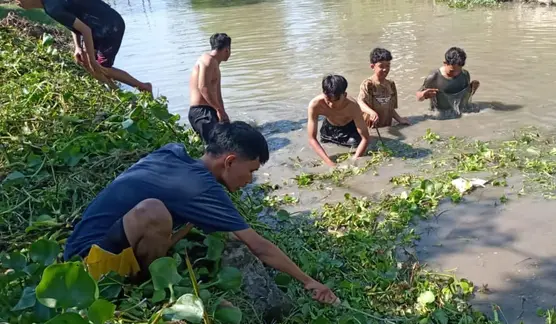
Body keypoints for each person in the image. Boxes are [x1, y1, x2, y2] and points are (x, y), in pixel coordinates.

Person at [63, 121, 338, 304]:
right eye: (251, 171)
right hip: (91, 272)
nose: (250, 180)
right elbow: (259, 247)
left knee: (183, 219)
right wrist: (309, 282)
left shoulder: (173, 153)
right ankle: (147, 289)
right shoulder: (201, 188)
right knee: (154, 211)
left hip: (85, 247)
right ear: (229, 161)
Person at [16, 0, 151, 93]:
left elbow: (85, 30)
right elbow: (76, 24)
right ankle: (118, 94)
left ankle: (143, 87)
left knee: (101, 68)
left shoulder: (53, 8)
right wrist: (78, 47)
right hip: (99, 26)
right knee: (87, 63)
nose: (16, 2)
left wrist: (93, 60)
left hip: (109, 27)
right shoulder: (50, 5)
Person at [307, 74, 370, 167]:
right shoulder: (315, 105)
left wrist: (354, 160)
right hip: (329, 127)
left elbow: (365, 138)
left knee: (354, 144)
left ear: (344, 95)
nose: (331, 104)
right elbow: (312, 138)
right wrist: (330, 163)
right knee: (326, 145)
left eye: (335, 100)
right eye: (328, 100)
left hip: (349, 128)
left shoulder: (353, 106)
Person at [189, 33, 232, 144]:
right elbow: (203, 87)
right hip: (201, 112)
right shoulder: (207, 60)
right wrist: (219, 110)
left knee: (226, 142)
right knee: (217, 147)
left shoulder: (216, 66)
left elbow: (218, 95)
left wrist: (223, 115)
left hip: (210, 111)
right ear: (227, 49)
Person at [416, 46, 480, 115]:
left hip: (460, 113)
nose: (455, 73)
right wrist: (423, 95)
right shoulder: (434, 77)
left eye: (458, 70)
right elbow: (418, 97)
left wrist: (472, 89)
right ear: (445, 63)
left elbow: (465, 97)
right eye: (452, 71)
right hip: (441, 115)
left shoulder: (465, 75)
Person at [357, 48, 410, 128]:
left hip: (386, 125)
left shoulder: (391, 84)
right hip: (372, 128)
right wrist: (371, 112)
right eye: (381, 66)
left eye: (388, 65)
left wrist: (399, 119)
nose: (385, 69)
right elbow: (360, 103)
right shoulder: (368, 84)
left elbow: (390, 108)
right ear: (372, 66)